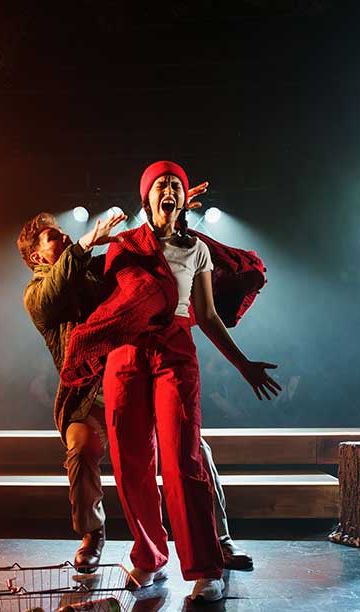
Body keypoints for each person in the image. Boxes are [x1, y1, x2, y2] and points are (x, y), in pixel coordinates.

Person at [61, 161, 279, 602]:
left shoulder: (197, 249)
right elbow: (119, 302)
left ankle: (204, 567)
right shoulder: (125, 246)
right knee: (130, 461)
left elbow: (210, 315)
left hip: (175, 352)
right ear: (146, 199)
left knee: (183, 461)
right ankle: (149, 556)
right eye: (160, 184)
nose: (169, 190)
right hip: (126, 354)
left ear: (183, 200)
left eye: (175, 185)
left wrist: (244, 365)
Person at [18, 205, 256, 577]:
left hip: (135, 379)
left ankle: (219, 538)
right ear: (36, 256)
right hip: (88, 399)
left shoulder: (92, 270)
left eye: (64, 233)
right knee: (81, 447)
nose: (64, 237)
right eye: (54, 237)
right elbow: (55, 288)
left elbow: (149, 251)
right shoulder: (37, 293)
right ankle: (93, 535)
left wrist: (169, 211)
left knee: (194, 450)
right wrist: (84, 243)